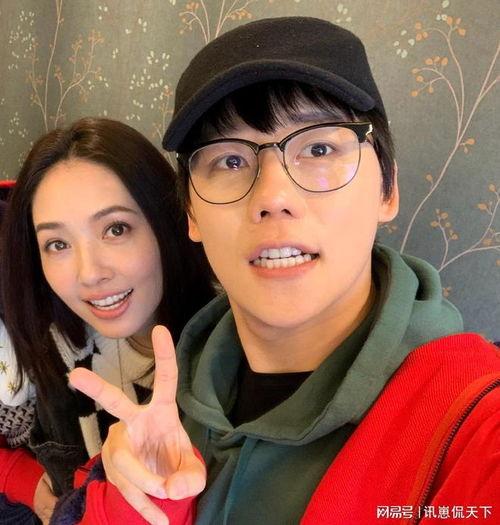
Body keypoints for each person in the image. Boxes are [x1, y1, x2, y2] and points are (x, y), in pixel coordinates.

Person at [60, 17, 499, 525]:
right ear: (191, 215)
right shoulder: (167, 403)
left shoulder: (473, 427)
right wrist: (139, 502)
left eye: (319, 149)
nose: (272, 197)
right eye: (228, 161)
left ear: (388, 189)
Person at [0, 117, 215, 524]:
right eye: (57, 244)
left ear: (168, 222)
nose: (89, 273)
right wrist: (23, 481)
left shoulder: (229, 362)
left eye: (116, 229)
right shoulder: (51, 345)